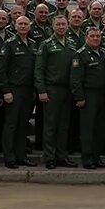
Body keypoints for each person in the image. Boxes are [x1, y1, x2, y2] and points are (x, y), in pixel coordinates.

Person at [35, 15, 78, 169]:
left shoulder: (72, 44)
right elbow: (39, 69)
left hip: (67, 90)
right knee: (50, 126)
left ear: (67, 26)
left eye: (63, 24)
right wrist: (42, 90)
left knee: (64, 126)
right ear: (53, 27)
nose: (61, 27)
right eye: (58, 24)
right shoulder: (46, 45)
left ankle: (62, 156)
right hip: (51, 89)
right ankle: (50, 157)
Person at [0, 15, 38, 168]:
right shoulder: (9, 44)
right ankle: (9, 157)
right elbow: (1, 70)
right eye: (20, 24)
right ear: (15, 26)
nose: (23, 26)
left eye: (25, 24)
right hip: (13, 90)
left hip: (28, 91)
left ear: (29, 26)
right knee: (11, 125)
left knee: (23, 124)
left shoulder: (33, 44)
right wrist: (6, 91)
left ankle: (21, 155)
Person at [71, 28, 105, 170]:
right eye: (92, 36)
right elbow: (76, 79)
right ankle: (87, 158)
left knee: (100, 128)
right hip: (88, 95)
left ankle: (96, 157)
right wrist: (79, 97)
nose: (96, 38)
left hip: (102, 95)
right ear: (86, 37)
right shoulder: (80, 54)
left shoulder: (103, 53)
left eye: (98, 36)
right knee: (88, 128)